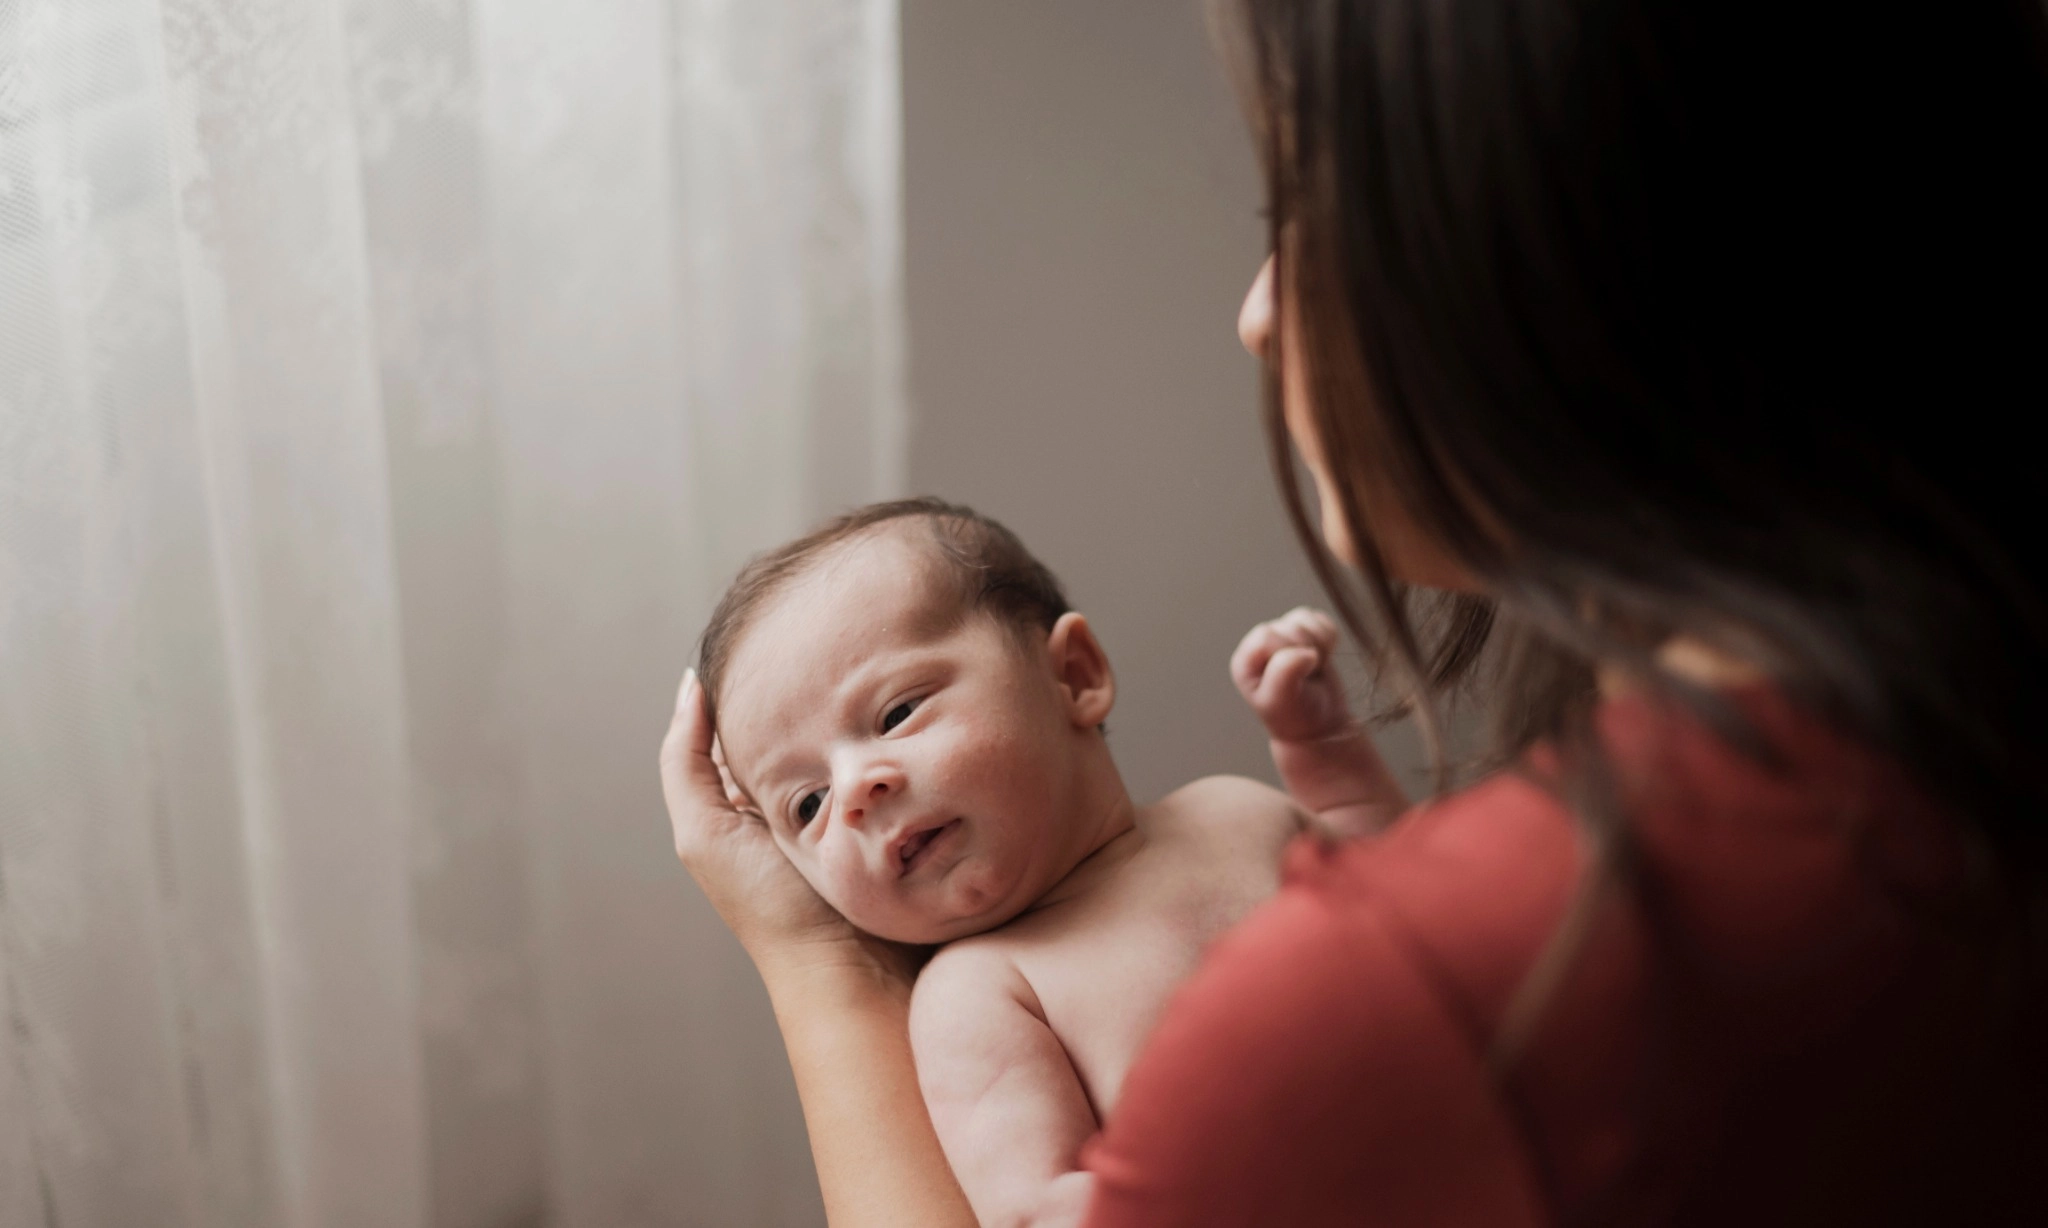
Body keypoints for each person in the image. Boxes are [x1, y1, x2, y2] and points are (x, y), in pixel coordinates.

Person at [660, 1, 2048, 1224]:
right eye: (800, 806)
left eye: (1301, 211)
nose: (1259, 312)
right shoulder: (1944, 735)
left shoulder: (1395, 972)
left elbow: (1385, 865)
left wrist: (812, 975)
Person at [690, 497, 1397, 1227]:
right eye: (807, 805)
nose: (856, 794)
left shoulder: (1234, 812)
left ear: (1075, 676)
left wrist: (1328, 759)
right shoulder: (981, 996)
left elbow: (1416, 903)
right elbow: (1039, 1209)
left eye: (897, 713)